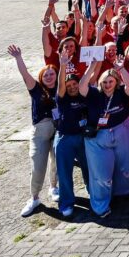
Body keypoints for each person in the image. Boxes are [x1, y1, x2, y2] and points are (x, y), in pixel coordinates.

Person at [7, 45, 60, 217]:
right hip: (40, 130)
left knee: (57, 162)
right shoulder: (36, 89)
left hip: (58, 129)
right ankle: (34, 197)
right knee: (38, 165)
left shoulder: (62, 88)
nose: (50, 76)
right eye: (46, 75)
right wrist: (18, 58)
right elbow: (25, 74)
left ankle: (54, 187)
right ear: (41, 77)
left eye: (52, 74)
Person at [79, 63, 129, 218]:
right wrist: (91, 67)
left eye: (111, 81)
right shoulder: (93, 94)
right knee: (101, 174)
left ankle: (122, 193)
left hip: (122, 131)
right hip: (98, 137)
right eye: (104, 82)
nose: (107, 85)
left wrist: (121, 68)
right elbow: (82, 87)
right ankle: (100, 205)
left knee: (124, 167)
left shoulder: (120, 93)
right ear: (100, 83)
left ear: (116, 82)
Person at [52, 60, 91, 218]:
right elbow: (61, 83)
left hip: (83, 138)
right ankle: (67, 203)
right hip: (65, 139)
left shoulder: (84, 95)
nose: (72, 87)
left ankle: (93, 194)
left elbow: (89, 77)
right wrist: (62, 65)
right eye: (69, 86)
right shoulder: (62, 98)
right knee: (64, 172)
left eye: (74, 84)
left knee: (89, 168)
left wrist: (94, 63)